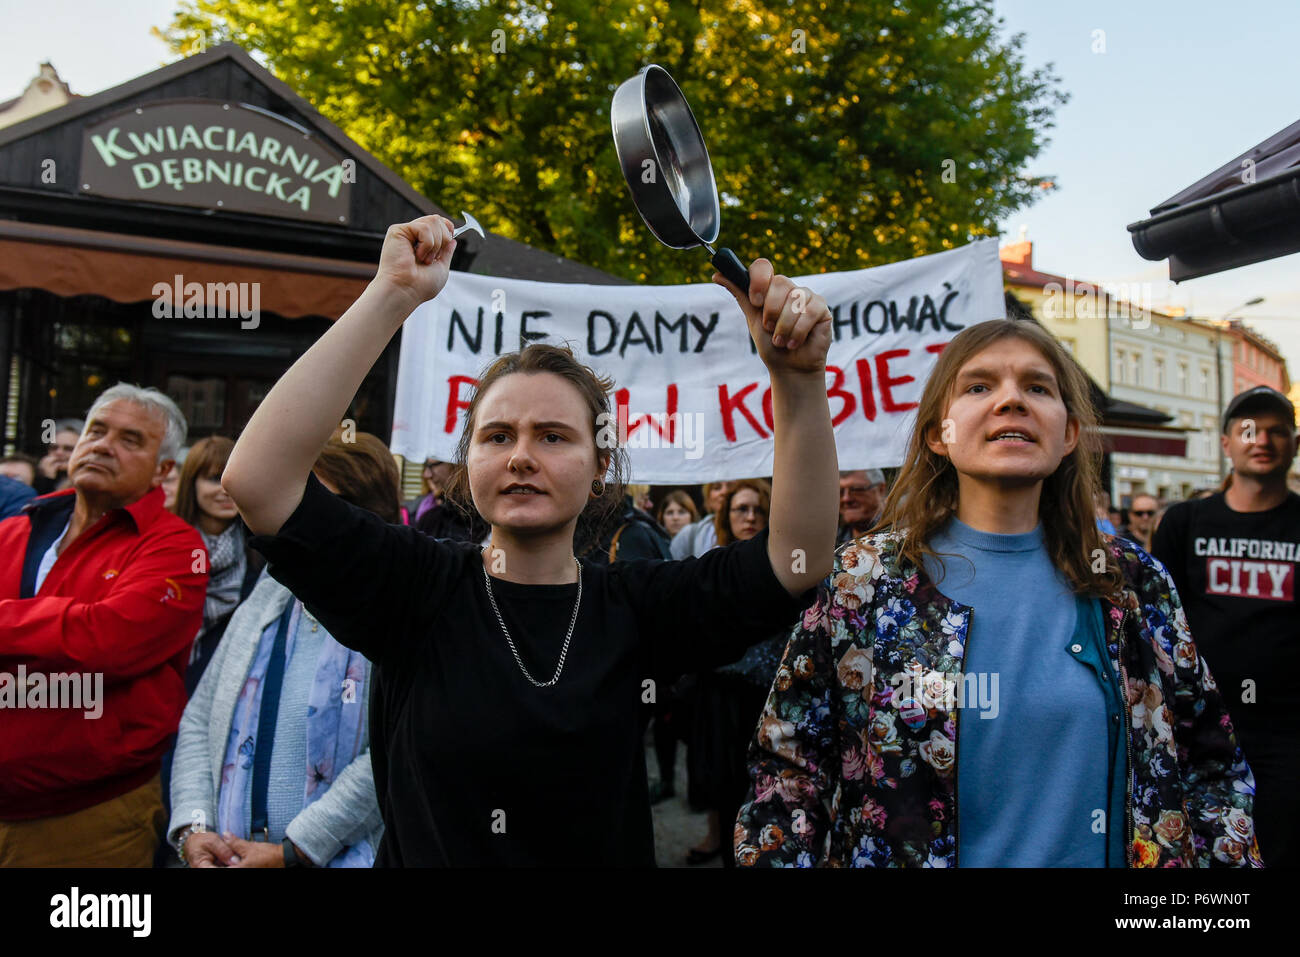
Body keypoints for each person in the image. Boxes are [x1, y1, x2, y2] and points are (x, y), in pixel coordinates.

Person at [220, 214, 837, 866]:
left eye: (552, 435)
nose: (520, 456)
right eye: (497, 436)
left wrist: (797, 382)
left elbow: (797, 560)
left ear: (601, 465)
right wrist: (392, 294)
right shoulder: (415, 588)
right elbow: (259, 482)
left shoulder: (640, 607)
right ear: (469, 458)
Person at [736, 317, 1262, 868]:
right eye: (979, 386)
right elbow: (788, 771)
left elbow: (1213, 766)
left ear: (1069, 435)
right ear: (939, 434)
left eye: (1037, 387)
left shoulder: (1133, 584)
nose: (1011, 400)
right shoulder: (861, 582)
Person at [0, 385, 207, 866]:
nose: (102, 445)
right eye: (96, 430)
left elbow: (107, 640)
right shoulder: (15, 531)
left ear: (164, 470)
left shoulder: (179, 548)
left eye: (131, 439)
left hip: (89, 817)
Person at [168, 432, 393, 869]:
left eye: (309, 501)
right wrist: (194, 831)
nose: (289, 516)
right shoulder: (270, 591)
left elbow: (392, 749)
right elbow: (200, 719)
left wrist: (295, 852)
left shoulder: (395, 607)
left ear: (365, 511)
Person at [1153, 385, 1300, 867]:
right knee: (1207, 848)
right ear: (1226, 442)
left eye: (1279, 430)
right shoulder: (1185, 523)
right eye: (1249, 429)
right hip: (1202, 725)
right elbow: (1159, 622)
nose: (1263, 440)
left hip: (1287, 730)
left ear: (1294, 443)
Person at [687, 479, 790, 866]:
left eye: (756, 510)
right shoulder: (710, 567)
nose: (748, 517)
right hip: (719, 697)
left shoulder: (781, 561)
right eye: (739, 509)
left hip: (768, 698)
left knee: (767, 793)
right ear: (725, 516)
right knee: (725, 788)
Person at [171, 436, 265, 694]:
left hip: (228, 684)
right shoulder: (163, 544)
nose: (226, 490)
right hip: (166, 680)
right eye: (214, 479)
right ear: (191, 484)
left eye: (234, 480)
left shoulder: (262, 548)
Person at [670, 481, 733, 559]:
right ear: (708, 498)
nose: (724, 492)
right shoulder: (690, 534)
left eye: (730, 486)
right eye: (717, 488)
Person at [31, 419, 83, 494]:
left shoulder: (88, 481)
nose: (59, 453)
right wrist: (46, 479)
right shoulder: (35, 477)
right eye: (54, 448)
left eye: (68, 449)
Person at [836, 468, 886, 545]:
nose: (846, 498)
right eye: (840, 491)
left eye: (856, 489)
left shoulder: (903, 537)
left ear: (880, 489)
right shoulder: (830, 542)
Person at [405, 457, 452, 526]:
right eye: (426, 466)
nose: (426, 475)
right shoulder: (414, 508)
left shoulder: (467, 515)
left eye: (433, 465)